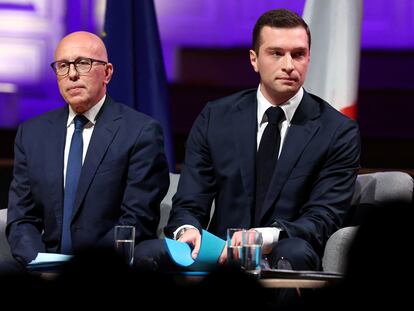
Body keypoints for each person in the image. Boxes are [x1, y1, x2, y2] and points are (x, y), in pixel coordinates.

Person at [162, 8, 360, 273]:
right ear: (254, 59)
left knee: (295, 252)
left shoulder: (337, 131)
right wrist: (188, 230)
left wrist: (260, 238)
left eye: (298, 54)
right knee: (150, 253)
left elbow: (323, 218)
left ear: (309, 58)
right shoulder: (215, 117)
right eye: (276, 53)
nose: (289, 65)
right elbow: (190, 200)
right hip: (218, 253)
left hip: (286, 250)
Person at [6, 31, 169, 267]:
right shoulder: (32, 134)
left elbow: (136, 220)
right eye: (63, 65)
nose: (72, 74)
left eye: (83, 63)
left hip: (107, 266)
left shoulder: (140, 132)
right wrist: (38, 262)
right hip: (43, 265)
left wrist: (81, 268)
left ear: (107, 73)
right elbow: (22, 218)